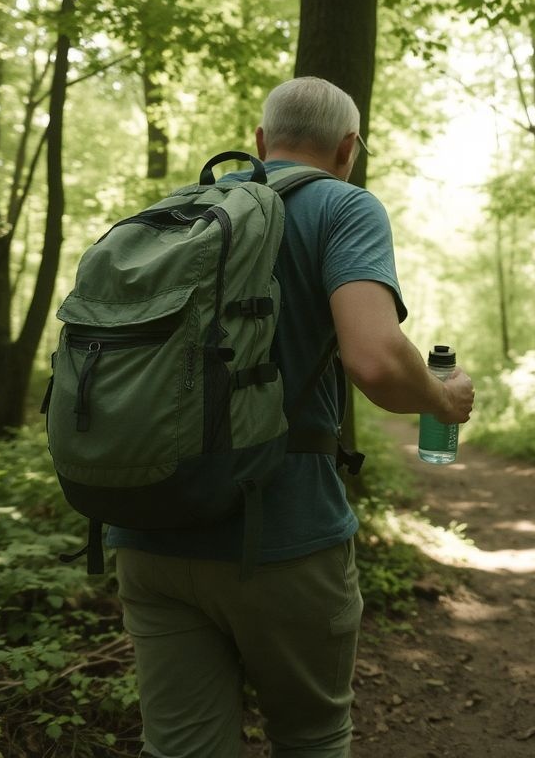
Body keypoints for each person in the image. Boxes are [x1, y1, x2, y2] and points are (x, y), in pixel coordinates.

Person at [109, 75, 475, 758]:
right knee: (310, 739)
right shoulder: (345, 208)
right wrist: (443, 399)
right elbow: (373, 359)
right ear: (348, 148)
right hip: (282, 533)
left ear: (258, 142)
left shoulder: (176, 213)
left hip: (148, 529)